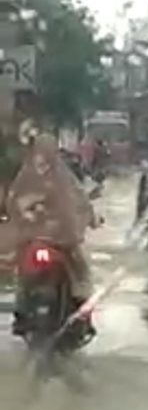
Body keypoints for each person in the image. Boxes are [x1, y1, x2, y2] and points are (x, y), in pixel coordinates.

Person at [7, 133, 99, 339]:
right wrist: (91, 218)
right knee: (82, 275)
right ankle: (84, 316)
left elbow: (13, 202)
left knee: (22, 275)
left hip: (43, 239)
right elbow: (80, 200)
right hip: (58, 240)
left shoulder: (30, 175)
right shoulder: (60, 175)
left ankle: (21, 315)